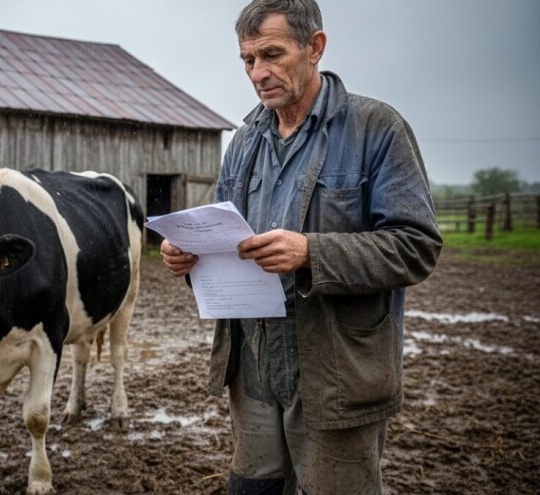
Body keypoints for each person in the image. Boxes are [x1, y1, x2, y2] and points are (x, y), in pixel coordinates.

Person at [160, 1, 442, 494]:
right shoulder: (246, 139)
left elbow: (416, 246)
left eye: (271, 54)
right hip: (253, 365)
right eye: (247, 60)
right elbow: (226, 236)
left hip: (337, 369)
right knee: (254, 487)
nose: (258, 73)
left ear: (315, 47)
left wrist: (312, 251)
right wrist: (189, 255)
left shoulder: (376, 129)